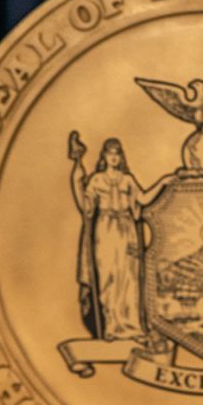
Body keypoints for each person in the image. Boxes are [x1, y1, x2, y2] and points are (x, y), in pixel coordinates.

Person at [68, 133, 169, 341]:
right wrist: (77, 178)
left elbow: (143, 199)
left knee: (129, 279)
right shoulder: (96, 180)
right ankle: (111, 327)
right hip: (105, 231)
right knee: (108, 278)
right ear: (104, 156)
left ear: (121, 157)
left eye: (117, 154)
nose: (114, 157)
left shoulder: (127, 180)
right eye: (110, 153)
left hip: (127, 230)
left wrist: (164, 183)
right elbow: (87, 208)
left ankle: (132, 327)